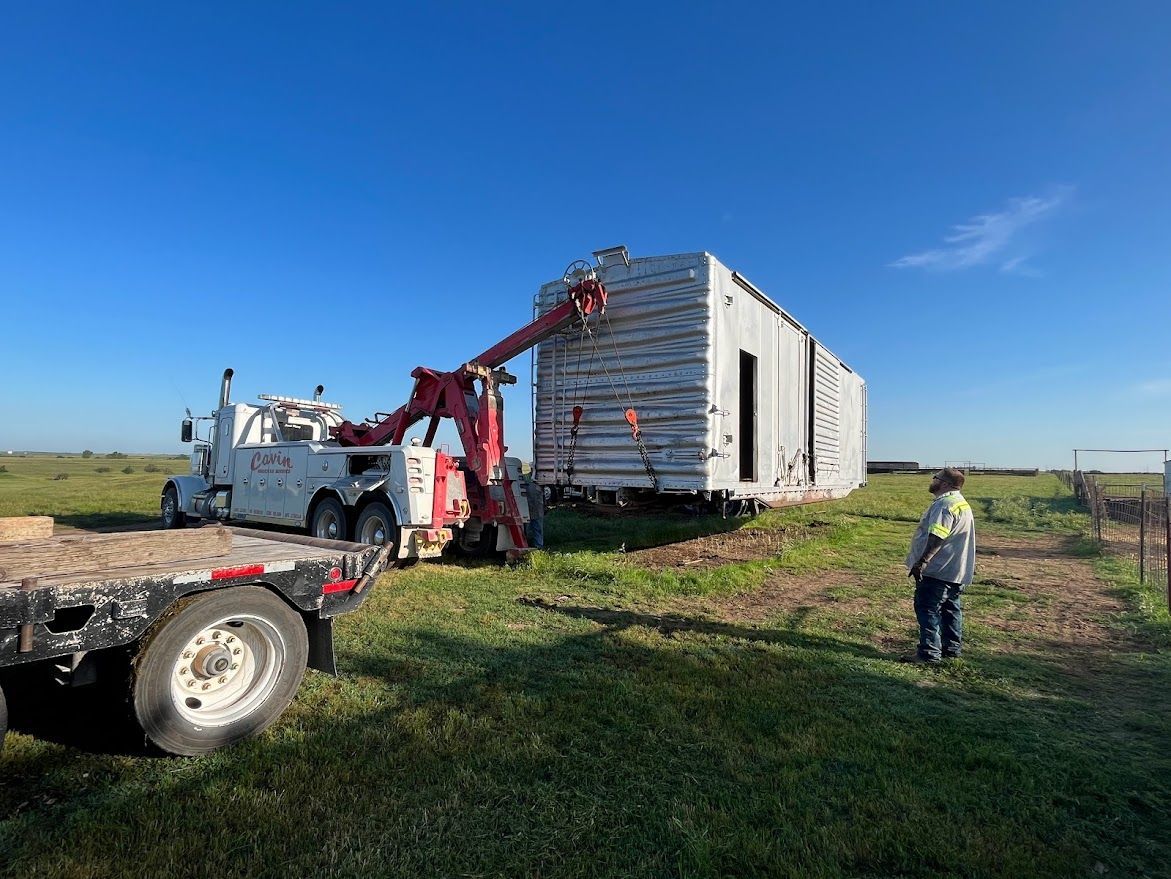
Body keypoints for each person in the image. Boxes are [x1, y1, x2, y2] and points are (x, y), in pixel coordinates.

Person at [904, 467, 976, 663]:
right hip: (956, 569)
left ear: (944, 484)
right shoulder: (960, 503)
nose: (932, 480)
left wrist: (922, 562)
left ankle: (929, 654)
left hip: (938, 570)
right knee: (951, 609)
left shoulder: (944, 505)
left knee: (928, 608)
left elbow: (937, 535)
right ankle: (951, 649)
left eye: (935, 478)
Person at [522, 470, 546, 549]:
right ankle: (527, 545)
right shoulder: (525, 479)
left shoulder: (541, 480)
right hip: (529, 509)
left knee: (536, 529)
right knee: (528, 529)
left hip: (535, 509)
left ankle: (537, 545)